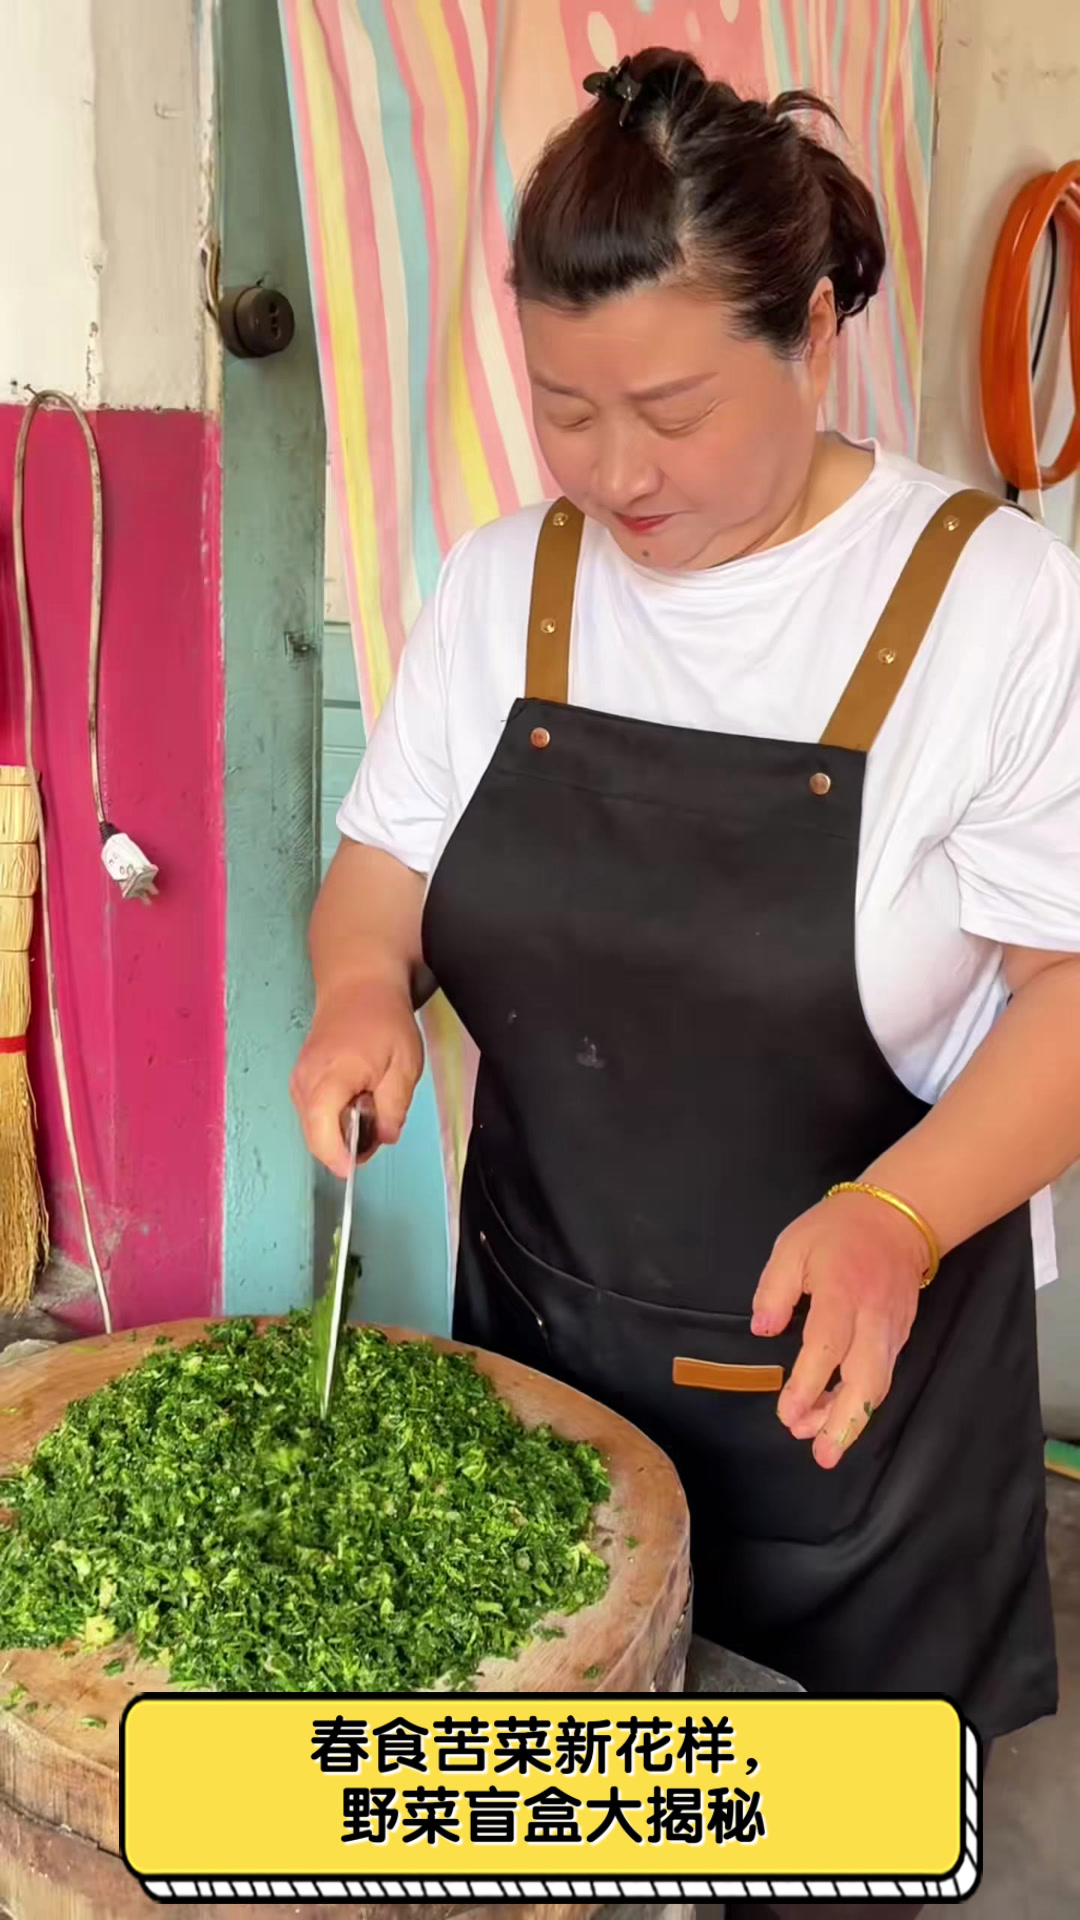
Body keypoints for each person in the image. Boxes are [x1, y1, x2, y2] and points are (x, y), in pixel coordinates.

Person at [292, 48, 1080, 1917]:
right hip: (547, 1347)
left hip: (848, 1398)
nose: (616, 473)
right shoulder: (510, 585)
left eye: (671, 406)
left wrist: (903, 1212)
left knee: (825, 1842)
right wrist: (354, 992)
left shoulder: (992, 608)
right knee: (543, 1814)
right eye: (564, 409)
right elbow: (384, 864)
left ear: (811, 329)